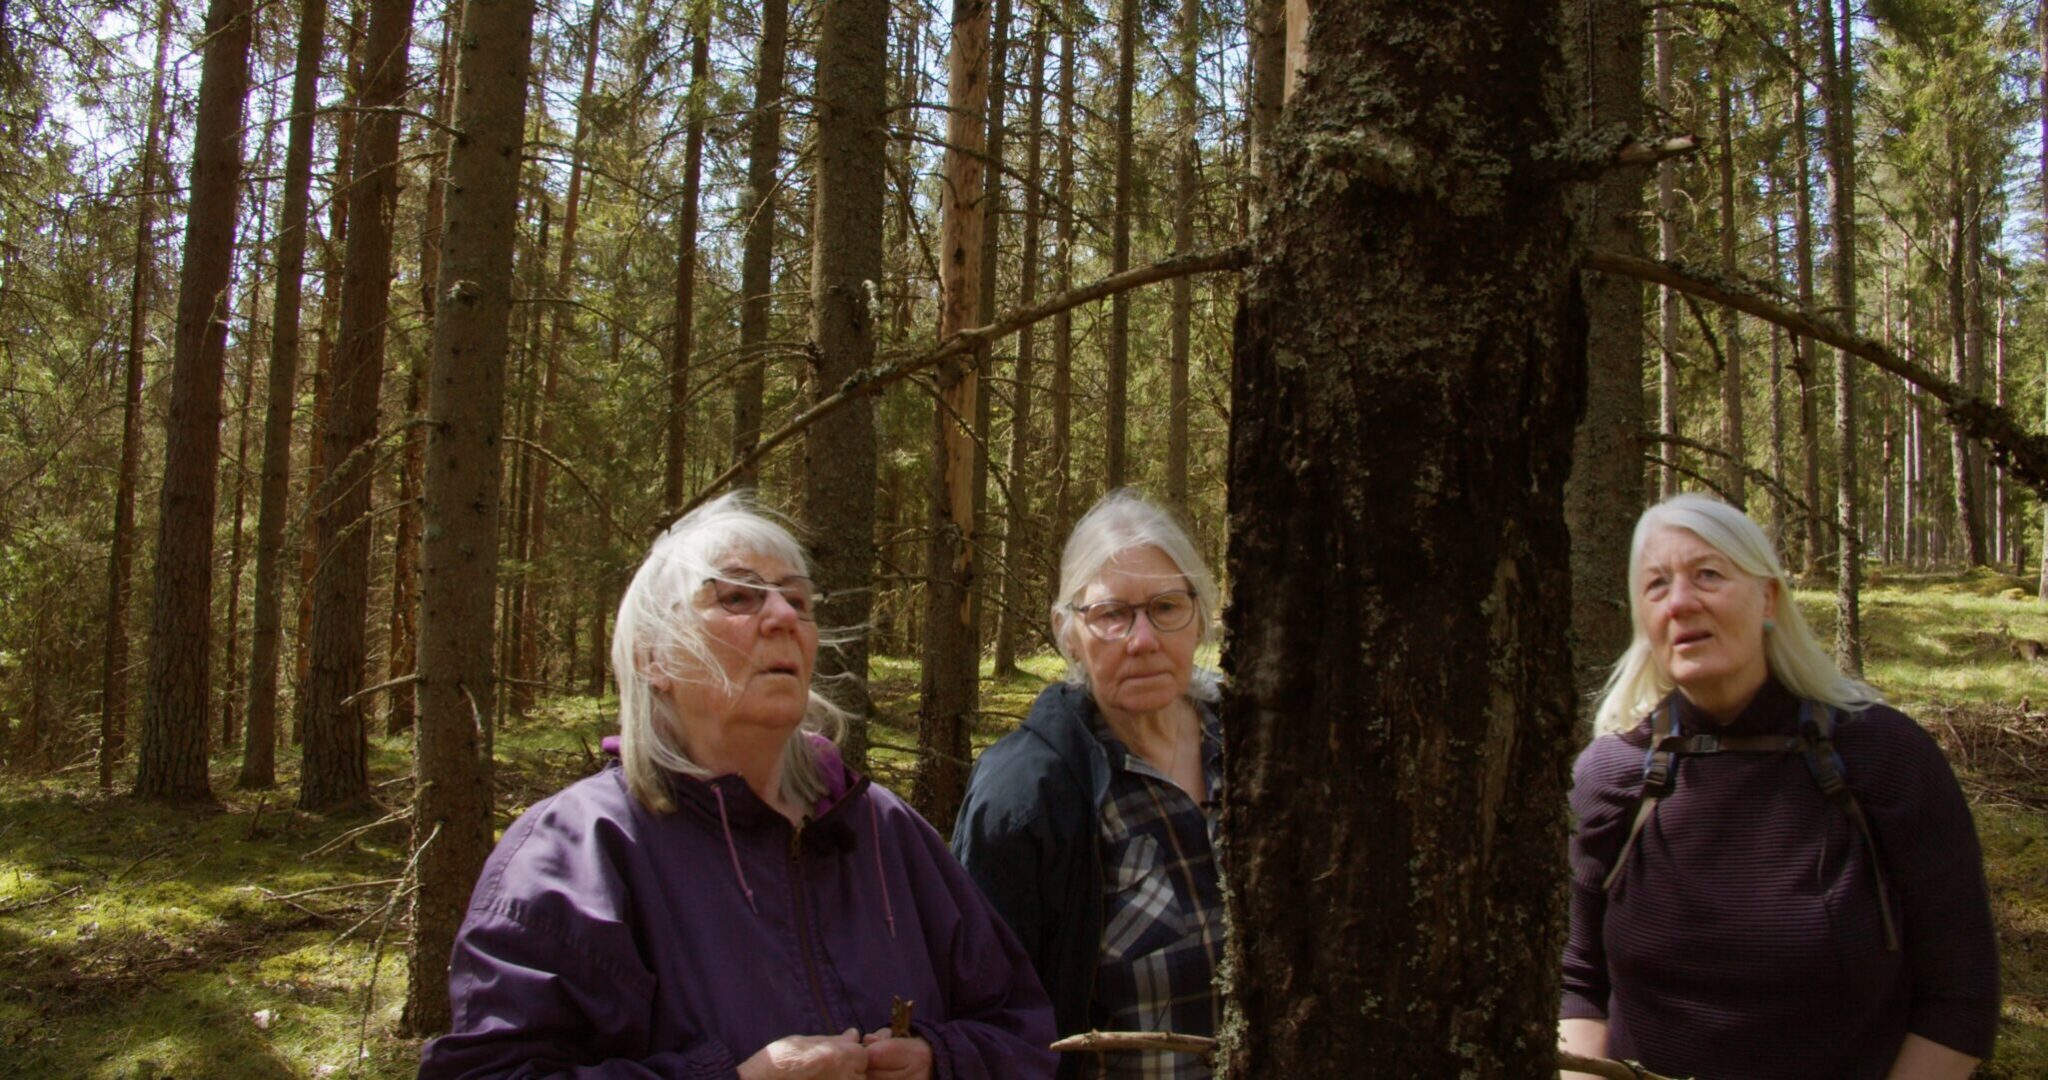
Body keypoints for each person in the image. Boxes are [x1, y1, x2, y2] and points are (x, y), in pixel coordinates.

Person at [421, 493, 1056, 1079]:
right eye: (738, 597)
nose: (782, 616)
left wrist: (937, 1061)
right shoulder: (577, 853)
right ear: (653, 656)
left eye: (797, 600)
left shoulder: (882, 829)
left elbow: (1021, 1030)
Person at [1559, 493, 1999, 1080]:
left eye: (1707, 574)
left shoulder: (1884, 757)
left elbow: (1961, 995)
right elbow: (1576, 978)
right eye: (1656, 585)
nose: (1681, 601)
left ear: (1768, 598)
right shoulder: (1612, 774)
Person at [952, 490, 1224, 1079]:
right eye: (1111, 615)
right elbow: (987, 1024)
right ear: (1068, 632)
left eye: (1166, 607)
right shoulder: (1024, 797)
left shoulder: (1257, 748)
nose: (1142, 639)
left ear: (1200, 615)